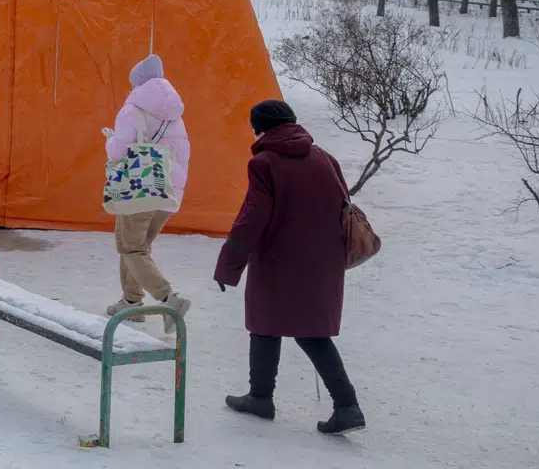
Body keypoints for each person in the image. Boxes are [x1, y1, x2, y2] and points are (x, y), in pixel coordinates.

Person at [215, 99, 366, 435]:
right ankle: (347, 406)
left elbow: (252, 219)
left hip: (279, 259)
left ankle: (260, 398)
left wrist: (228, 264)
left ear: (259, 128)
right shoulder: (325, 157)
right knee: (312, 332)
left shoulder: (264, 163)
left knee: (264, 325)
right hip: (324, 259)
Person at [103, 54, 192, 332]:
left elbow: (118, 151)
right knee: (139, 247)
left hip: (140, 187)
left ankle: (168, 299)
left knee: (130, 247)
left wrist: (110, 141)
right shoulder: (175, 114)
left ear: (137, 83)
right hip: (169, 189)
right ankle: (131, 302)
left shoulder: (132, 111)